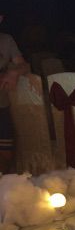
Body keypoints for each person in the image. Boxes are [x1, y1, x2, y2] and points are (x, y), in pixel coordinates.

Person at [0, 15, 29, 173]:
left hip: (2, 105)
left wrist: (14, 72)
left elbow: (24, 65)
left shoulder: (6, 40)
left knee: (6, 157)